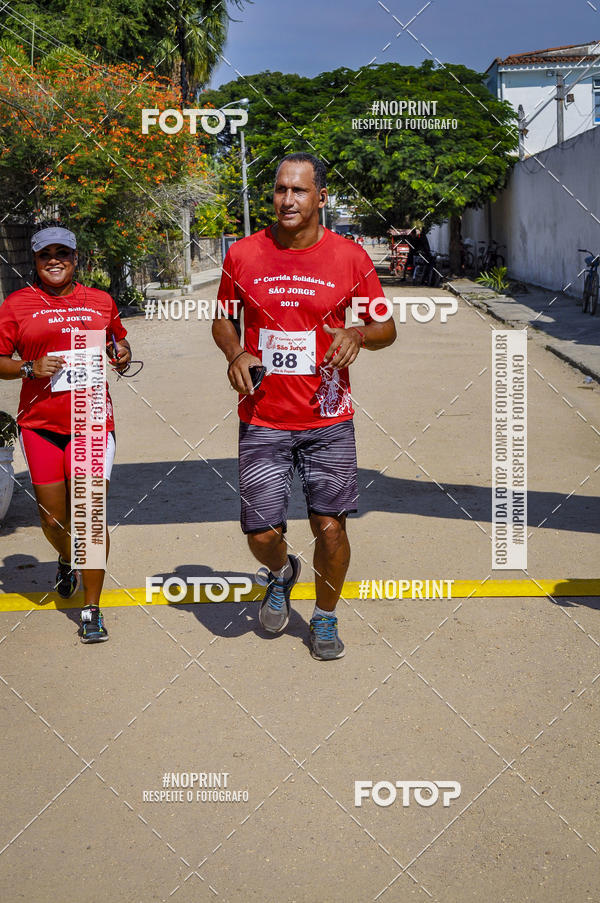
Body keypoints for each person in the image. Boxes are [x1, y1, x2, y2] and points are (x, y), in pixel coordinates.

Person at [212, 153, 396, 661]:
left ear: (321, 197)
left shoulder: (350, 257)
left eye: (298, 190)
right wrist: (236, 352)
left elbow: (385, 327)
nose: (287, 199)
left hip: (328, 418)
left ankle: (325, 617)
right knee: (261, 533)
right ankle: (280, 572)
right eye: (280, 189)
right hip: (263, 416)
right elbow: (223, 319)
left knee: (330, 527)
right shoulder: (243, 254)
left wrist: (357, 334)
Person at [0, 226, 131, 643]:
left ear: (76, 258)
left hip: (91, 419)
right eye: (45, 255)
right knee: (53, 518)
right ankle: (67, 556)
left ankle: (91, 608)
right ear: (35, 261)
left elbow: (117, 343)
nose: (54, 260)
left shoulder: (100, 301)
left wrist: (121, 355)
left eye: (63, 253)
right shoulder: (17, 305)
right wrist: (28, 367)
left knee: (89, 513)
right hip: (40, 425)